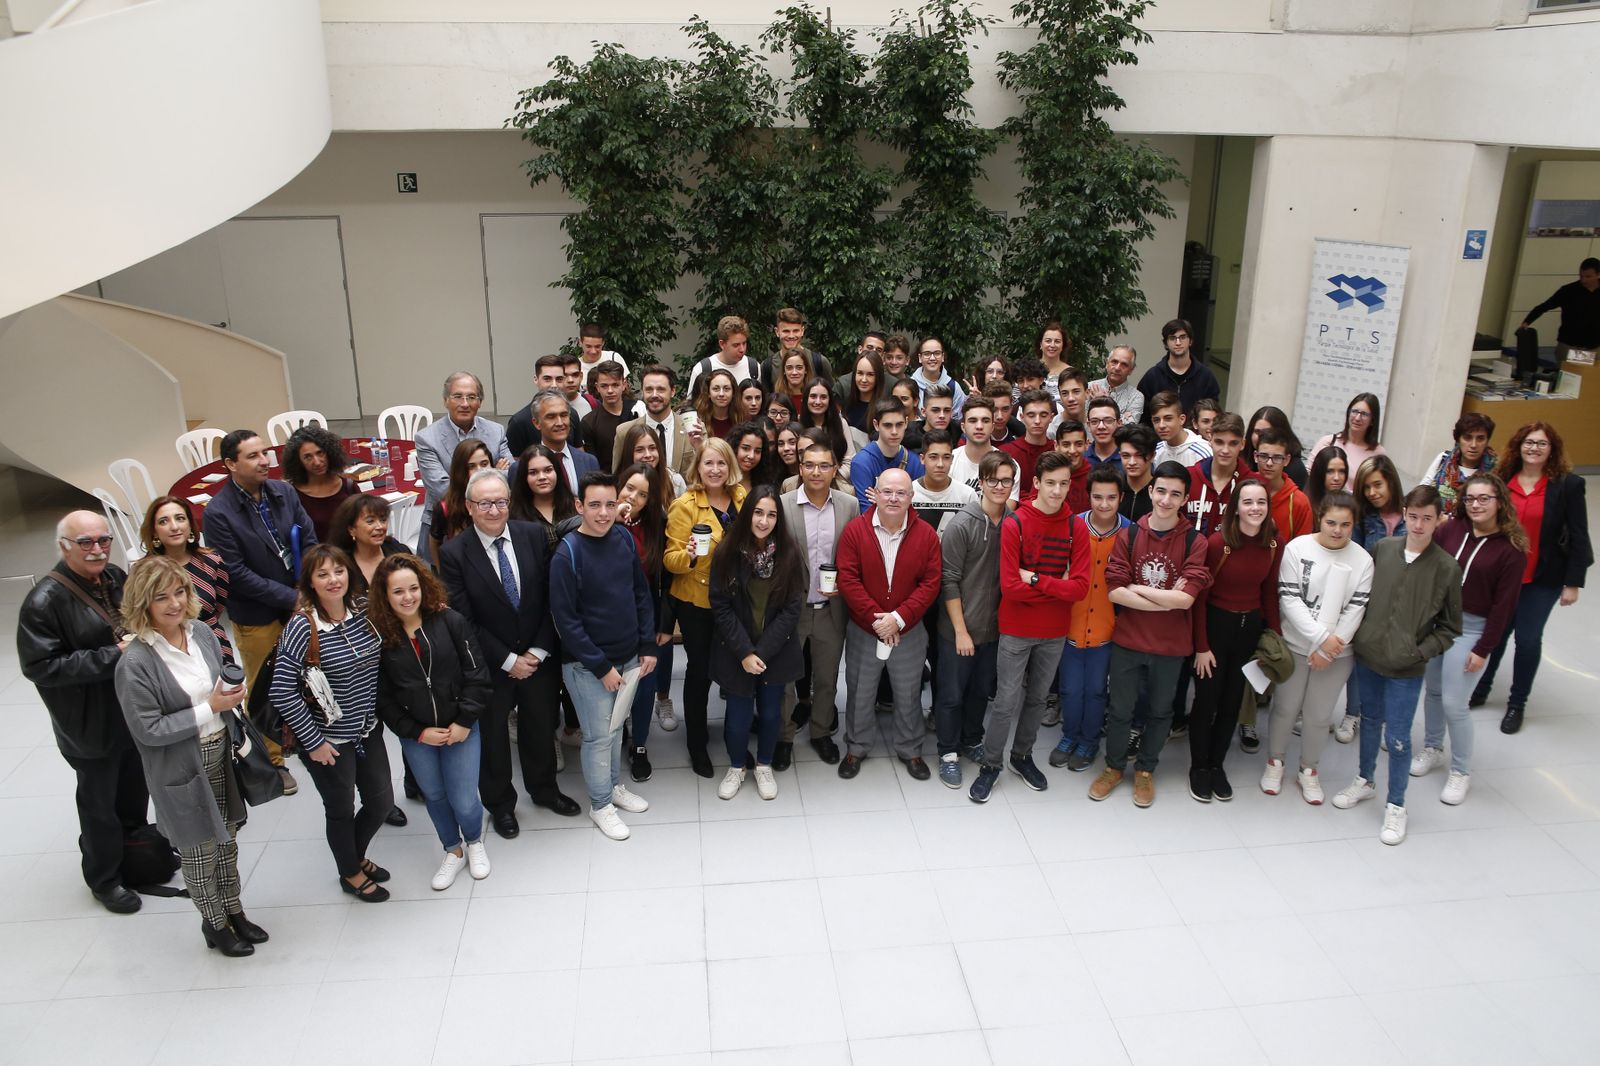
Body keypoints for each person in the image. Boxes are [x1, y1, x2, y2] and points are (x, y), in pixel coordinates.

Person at [114, 556, 263, 953]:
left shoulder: (200, 633)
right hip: (181, 768)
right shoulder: (136, 662)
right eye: (161, 597)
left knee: (228, 842)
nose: (175, 603)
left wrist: (231, 697)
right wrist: (210, 707)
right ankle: (214, 924)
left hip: (221, 756)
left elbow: (216, 684)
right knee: (199, 853)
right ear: (142, 604)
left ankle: (234, 911)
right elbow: (147, 729)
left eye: (179, 592)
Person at [18, 511, 149, 913]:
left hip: (128, 710)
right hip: (89, 724)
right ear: (63, 547)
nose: (97, 550)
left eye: (103, 540)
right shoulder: (44, 602)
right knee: (99, 806)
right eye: (85, 543)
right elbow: (41, 667)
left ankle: (137, 858)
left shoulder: (113, 577)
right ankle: (105, 879)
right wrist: (113, 656)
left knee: (133, 792)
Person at [439, 469, 578, 838]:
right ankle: (501, 805)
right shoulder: (454, 553)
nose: (494, 510)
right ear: (469, 507)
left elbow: (553, 598)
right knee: (494, 739)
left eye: (501, 501)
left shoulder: (533, 536)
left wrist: (536, 650)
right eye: (485, 503)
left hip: (537, 658)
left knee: (540, 727)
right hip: (488, 666)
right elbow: (463, 620)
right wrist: (507, 660)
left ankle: (545, 790)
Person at [1336, 486, 1463, 845]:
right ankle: (1364, 780)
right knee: (1369, 722)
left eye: (1427, 518)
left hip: (1407, 669)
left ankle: (1396, 804)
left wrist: (1420, 651)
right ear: (1404, 514)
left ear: (1439, 520)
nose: (1419, 525)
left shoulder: (1446, 568)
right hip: (1369, 657)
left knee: (1398, 737)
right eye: (1413, 516)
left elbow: (1451, 626)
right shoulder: (1384, 550)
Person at [270, 544, 392, 900]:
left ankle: (352, 856)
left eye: (338, 571)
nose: (333, 579)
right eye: (322, 574)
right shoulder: (302, 626)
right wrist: (314, 743)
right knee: (340, 809)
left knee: (381, 801)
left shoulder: (363, 609)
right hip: (326, 740)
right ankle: (350, 872)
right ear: (310, 582)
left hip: (366, 729)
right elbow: (282, 691)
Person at [971, 452, 1091, 802]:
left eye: (1064, 484)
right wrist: (1058, 587)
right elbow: (1010, 587)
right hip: (1016, 628)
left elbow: (1080, 588)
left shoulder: (1075, 527)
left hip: (1054, 630)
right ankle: (990, 764)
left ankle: (1021, 756)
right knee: (1006, 701)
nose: (1057, 491)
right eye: (1050, 483)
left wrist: (1036, 579)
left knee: (1038, 699)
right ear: (1036, 483)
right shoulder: (1016, 524)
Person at [204, 428, 318, 794]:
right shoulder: (218, 513)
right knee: (267, 685)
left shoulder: (283, 492)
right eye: (252, 456)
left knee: (311, 671)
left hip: (299, 599)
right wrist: (291, 598)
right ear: (230, 464)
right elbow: (235, 573)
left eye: (264, 453)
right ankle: (273, 761)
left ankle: (309, 734)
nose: (264, 460)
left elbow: (309, 537)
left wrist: (309, 587)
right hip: (258, 613)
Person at [370, 554, 493, 890]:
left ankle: (474, 841)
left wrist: (465, 721)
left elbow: (477, 675)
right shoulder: (380, 637)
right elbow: (383, 698)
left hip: (461, 729)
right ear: (385, 595)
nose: (408, 597)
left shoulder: (450, 621)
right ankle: (452, 850)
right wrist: (417, 732)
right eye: (398, 592)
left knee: (465, 797)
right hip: (418, 736)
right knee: (435, 795)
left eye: (413, 588)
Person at [1089, 461, 1208, 807]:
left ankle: (1145, 770)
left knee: (1159, 712)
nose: (1166, 500)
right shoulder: (1130, 534)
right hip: (1128, 640)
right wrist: (1169, 601)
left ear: (1185, 498)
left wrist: (1139, 590)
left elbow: (1187, 600)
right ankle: (1113, 767)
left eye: (1175, 494)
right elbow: (1114, 591)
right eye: (1161, 491)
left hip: (1170, 647)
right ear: (1151, 491)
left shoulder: (1194, 541)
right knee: (1121, 709)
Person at [550, 473, 658, 840]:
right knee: (598, 737)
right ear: (579, 506)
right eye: (594, 505)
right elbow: (565, 621)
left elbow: (640, 595)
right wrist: (601, 667)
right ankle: (600, 805)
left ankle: (613, 787)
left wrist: (646, 646)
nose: (603, 512)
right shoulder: (567, 553)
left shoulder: (624, 538)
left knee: (614, 731)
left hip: (628, 658)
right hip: (588, 666)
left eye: (610, 504)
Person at [1406, 475, 1526, 806]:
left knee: (1455, 704)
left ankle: (1460, 770)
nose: (1475, 505)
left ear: (1500, 501)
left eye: (1484, 499)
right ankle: (1433, 747)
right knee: (1432, 691)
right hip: (1437, 622)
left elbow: (1504, 607)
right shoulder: (1452, 529)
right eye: (1470, 498)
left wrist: (1483, 649)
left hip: (1473, 629)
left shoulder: (1511, 550)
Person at [1475, 422, 1592, 733]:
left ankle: (1517, 704)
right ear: (1519, 446)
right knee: (1496, 635)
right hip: (1504, 577)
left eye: (1542, 443)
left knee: (1527, 639)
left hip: (1542, 579)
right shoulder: (1501, 482)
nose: (1534, 448)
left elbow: (1580, 535)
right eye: (1529, 442)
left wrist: (1573, 583)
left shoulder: (1567, 485)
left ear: (1551, 449)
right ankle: (1482, 688)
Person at [1263, 491, 1373, 804]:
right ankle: (1275, 762)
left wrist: (1328, 650)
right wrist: (1320, 639)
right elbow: (1290, 599)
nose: (1337, 530)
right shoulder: (1297, 549)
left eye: (1345, 525)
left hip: (1337, 655)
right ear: (1319, 519)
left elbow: (1356, 608)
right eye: (1331, 522)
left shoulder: (1363, 560)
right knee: (1285, 707)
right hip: (1296, 646)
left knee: (1318, 715)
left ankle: (1308, 770)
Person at [835, 468, 942, 781]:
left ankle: (911, 749)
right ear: (875, 494)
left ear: (911, 497)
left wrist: (898, 618)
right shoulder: (856, 530)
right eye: (887, 492)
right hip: (864, 629)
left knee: (909, 693)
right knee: (860, 690)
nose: (894, 498)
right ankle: (856, 747)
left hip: (908, 629)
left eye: (901, 493)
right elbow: (848, 578)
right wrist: (877, 620)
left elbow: (931, 583)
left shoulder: (926, 536)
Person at [708, 486, 806, 800]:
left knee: (770, 714)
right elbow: (720, 606)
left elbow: (792, 609)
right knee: (737, 718)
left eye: (771, 514)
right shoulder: (726, 552)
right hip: (736, 652)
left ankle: (763, 765)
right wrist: (745, 652)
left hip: (774, 651)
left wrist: (761, 652)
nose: (764, 521)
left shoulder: (789, 554)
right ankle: (737, 767)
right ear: (748, 513)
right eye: (758, 512)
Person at [1187, 480, 1279, 802]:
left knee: (1232, 703)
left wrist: (1274, 640)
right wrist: (1200, 646)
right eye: (1248, 502)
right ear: (1236, 507)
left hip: (1249, 628)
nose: (1255, 508)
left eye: (1261, 502)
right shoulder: (1217, 543)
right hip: (1215, 626)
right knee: (1207, 701)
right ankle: (1198, 766)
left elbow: (1269, 594)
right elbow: (1199, 598)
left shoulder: (1271, 544)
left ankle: (1216, 765)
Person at [665, 438, 749, 777]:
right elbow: (670, 561)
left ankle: (736, 738)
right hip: (698, 602)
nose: (715, 470)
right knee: (699, 673)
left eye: (721, 464)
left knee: (734, 669)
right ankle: (696, 744)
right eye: (708, 463)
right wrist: (691, 554)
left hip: (738, 601)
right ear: (697, 467)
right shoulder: (684, 505)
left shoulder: (743, 498)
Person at [777, 442, 860, 769]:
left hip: (831, 608)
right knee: (784, 678)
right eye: (809, 465)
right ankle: (783, 736)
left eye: (824, 465)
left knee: (826, 677)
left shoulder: (849, 505)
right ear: (800, 468)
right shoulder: (782, 505)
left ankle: (821, 732)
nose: (816, 472)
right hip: (791, 608)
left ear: (835, 468)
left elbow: (852, 555)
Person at [933, 451, 1012, 788]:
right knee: (951, 694)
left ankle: (970, 739)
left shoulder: (1013, 522)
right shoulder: (962, 525)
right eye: (992, 479)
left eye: (1006, 480)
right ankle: (948, 752)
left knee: (981, 691)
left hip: (994, 630)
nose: (999, 486)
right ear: (981, 482)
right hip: (958, 631)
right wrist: (960, 631)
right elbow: (948, 580)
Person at [1053, 466, 1131, 771]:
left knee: (1097, 689)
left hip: (1107, 629)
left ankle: (1088, 741)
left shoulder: (1130, 532)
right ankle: (1069, 735)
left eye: (1111, 497)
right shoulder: (1072, 526)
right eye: (1097, 497)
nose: (1104, 504)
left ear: (1121, 498)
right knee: (1070, 688)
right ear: (1088, 497)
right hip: (1070, 623)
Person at [614, 462, 676, 780]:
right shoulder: (600, 519)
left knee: (644, 684)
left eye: (643, 494)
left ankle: (639, 744)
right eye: (629, 488)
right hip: (609, 620)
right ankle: (615, 736)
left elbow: (666, 582)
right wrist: (611, 519)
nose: (633, 497)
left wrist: (664, 625)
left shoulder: (658, 525)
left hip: (646, 617)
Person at [414, 371, 512, 561]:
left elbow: (511, 474)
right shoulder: (427, 438)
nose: (465, 403)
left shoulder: (496, 431)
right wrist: (494, 473)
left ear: (480, 401)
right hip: (446, 526)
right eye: (457, 396)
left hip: (492, 521)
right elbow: (441, 489)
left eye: (471, 397)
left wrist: (465, 480)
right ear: (445, 400)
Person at [139, 495, 232, 662]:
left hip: (214, 644)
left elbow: (218, 606)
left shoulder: (213, 561)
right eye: (163, 521)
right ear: (154, 532)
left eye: (180, 518)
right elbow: (141, 617)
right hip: (168, 652)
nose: (174, 527)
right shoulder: (144, 573)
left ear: (190, 525)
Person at [613, 364, 697, 483]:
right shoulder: (624, 432)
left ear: (673, 391)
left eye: (661, 389)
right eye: (649, 389)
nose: (654, 395)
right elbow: (618, 478)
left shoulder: (694, 429)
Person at [1184, 413, 1258, 536]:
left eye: (1233, 443)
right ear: (1210, 439)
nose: (1225, 450)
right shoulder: (1189, 477)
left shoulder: (1254, 485)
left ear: (1242, 444)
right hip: (1191, 554)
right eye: (1219, 442)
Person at [282, 425, 358, 541]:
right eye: (308, 457)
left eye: (320, 453)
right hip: (314, 556)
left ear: (330, 453)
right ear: (298, 462)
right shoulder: (293, 495)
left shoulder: (349, 487)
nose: (317, 462)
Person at [1136, 318, 1220, 425]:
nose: (1178, 342)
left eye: (1182, 337)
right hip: (1159, 438)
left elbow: (1213, 416)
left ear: (1191, 341)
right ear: (1166, 343)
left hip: (1196, 439)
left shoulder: (1206, 377)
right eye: (1172, 338)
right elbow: (1144, 418)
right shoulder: (1152, 377)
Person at [329, 494, 408, 602]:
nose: (380, 527)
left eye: (383, 520)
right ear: (352, 529)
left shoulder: (398, 551)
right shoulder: (340, 564)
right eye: (370, 521)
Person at [850, 398, 924, 510]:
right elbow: (866, 511)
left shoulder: (914, 462)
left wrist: (881, 502)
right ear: (876, 425)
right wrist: (903, 501)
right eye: (888, 425)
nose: (894, 432)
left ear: (906, 423)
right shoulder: (861, 462)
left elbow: (918, 508)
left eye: (899, 425)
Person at [428, 437, 496, 560]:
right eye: (471, 466)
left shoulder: (503, 499)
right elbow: (435, 543)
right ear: (461, 471)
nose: (480, 471)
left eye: (484, 464)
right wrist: (443, 574)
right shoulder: (445, 507)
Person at [1520, 256, 1600, 360]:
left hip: (1593, 346)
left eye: (1588, 277)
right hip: (1570, 345)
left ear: (1598, 274)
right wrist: (1527, 321)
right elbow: (1545, 306)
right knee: (1568, 374)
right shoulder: (1569, 291)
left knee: (1589, 376)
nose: (1583, 280)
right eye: (1581, 276)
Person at [1418, 412, 1496, 511]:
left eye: (1480, 438)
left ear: (1487, 441)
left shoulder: (1497, 470)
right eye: (1467, 438)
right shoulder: (1443, 460)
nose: (1473, 445)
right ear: (1458, 440)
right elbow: (1420, 496)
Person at [533, 389, 599, 495]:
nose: (559, 423)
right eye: (551, 417)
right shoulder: (523, 467)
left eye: (564, 415)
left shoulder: (589, 462)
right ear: (537, 423)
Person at [509, 444, 579, 543]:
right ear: (524, 477)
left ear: (557, 472)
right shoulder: (514, 516)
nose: (542, 477)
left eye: (548, 470)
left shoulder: (576, 506)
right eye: (533, 472)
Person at [506, 357, 570, 464]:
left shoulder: (572, 414)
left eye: (559, 379)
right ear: (536, 379)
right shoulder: (519, 422)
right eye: (547, 379)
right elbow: (516, 466)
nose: (554, 385)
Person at [911, 428, 976, 533]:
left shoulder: (967, 495)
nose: (940, 464)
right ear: (922, 459)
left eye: (946, 457)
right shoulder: (909, 493)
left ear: (952, 459)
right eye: (933, 457)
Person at [1254, 427, 1312, 543]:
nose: (1269, 463)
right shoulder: (1240, 488)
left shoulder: (1299, 502)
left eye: (1277, 458)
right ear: (1256, 456)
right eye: (1264, 456)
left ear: (1286, 460)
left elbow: (1302, 549)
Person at [949, 396, 1014, 499]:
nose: (979, 426)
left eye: (985, 421)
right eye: (973, 420)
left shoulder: (1009, 465)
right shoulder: (948, 461)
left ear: (992, 427)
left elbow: (1007, 510)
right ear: (963, 427)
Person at [687, 315, 764, 398]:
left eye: (744, 343)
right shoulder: (703, 369)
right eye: (736, 345)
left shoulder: (753, 367)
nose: (742, 349)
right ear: (722, 344)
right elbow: (690, 404)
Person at [1002, 389, 1056, 502]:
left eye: (1043, 415)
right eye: (1031, 415)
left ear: (1051, 417)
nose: (1037, 421)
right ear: (1022, 417)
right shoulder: (1006, 453)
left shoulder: (1057, 451)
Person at [1310, 393, 1385, 472]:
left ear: (1372, 421)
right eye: (1355, 411)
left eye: (1364, 414)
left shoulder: (1378, 453)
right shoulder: (1328, 442)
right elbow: (1308, 473)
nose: (1357, 418)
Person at [579, 360, 631, 473]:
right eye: (604, 386)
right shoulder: (589, 422)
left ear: (624, 384)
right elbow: (592, 466)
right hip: (608, 484)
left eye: (615, 385)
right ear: (597, 387)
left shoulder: (638, 411)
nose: (610, 391)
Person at [765, 306, 832, 389]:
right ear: (777, 332)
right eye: (786, 331)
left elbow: (830, 397)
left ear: (802, 331)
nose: (791, 336)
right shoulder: (768, 366)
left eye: (795, 331)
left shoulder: (819, 362)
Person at [619, 419, 688, 499]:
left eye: (652, 448)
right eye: (639, 450)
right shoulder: (618, 486)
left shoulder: (675, 482)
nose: (648, 455)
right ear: (629, 453)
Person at [1244, 406, 1308, 488]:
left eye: (1267, 432)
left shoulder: (1295, 469)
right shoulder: (1243, 459)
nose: (1261, 437)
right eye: (1257, 432)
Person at [797, 378, 855, 467]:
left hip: (838, 477)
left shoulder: (841, 423)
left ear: (829, 400)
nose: (818, 402)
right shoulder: (798, 423)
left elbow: (849, 459)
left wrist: (833, 476)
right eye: (813, 396)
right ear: (806, 399)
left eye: (823, 397)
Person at [1149, 390, 1212, 468]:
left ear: (1182, 419)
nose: (1161, 425)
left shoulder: (1204, 452)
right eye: (1156, 420)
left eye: (1168, 419)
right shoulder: (1156, 452)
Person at [1354, 455, 1405, 548]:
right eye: (1367, 487)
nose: (1371, 493)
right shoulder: (1362, 518)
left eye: (1377, 485)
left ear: (1391, 482)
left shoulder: (1410, 516)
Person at [908, 334, 968, 414]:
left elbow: (960, 417)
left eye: (937, 353)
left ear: (942, 357)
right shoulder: (910, 386)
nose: (932, 358)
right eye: (927, 354)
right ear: (920, 358)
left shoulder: (953, 386)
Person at [1088, 344, 1143, 425]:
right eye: (1114, 362)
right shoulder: (1089, 387)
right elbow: (1083, 420)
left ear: (1131, 370)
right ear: (1107, 363)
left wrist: (1103, 401)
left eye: (1124, 364)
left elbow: (1129, 428)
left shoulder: (1136, 397)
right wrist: (1122, 417)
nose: (1117, 368)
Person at [1114, 423, 1158, 520]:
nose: (1132, 462)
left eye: (1139, 455)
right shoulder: (1113, 488)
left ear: (1152, 456)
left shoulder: (1160, 493)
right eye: (1126, 456)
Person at [839, 350, 887, 435]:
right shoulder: (846, 404)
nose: (864, 379)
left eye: (870, 374)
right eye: (860, 373)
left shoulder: (884, 410)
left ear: (878, 377)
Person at [902, 382, 956, 454]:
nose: (942, 415)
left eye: (947, 410)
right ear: (923, 412)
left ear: (952, 412)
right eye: (935, 410)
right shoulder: (906, 433)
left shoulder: (958, 429)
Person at [1306, 445, 1350, 515]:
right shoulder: (1304, 503)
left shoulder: (1350, 502)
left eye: (1341, 471)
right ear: (1319, 471)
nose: (1336, 478)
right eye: (1330, 471)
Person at [1084, 397, 1124, 468]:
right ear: (1088, 425)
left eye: (1108, 421)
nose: (1101, 426)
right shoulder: (1082, 460)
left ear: (1119, 423)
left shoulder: (1129, 459)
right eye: (1094, 421)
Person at [1036, 321, 1070, 402]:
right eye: (1048, 341)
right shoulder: (1028, 370)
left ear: (1063, 346)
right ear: (1041, 344)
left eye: (1057, 341)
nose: (1052, 345)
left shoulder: (1070, 373)